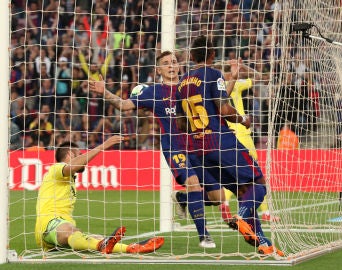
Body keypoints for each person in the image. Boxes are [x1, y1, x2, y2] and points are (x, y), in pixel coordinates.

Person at [89, 51, 225, 248]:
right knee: (193, 183)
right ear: (158, 69)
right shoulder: (153, 92)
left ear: (179, 66)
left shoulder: (191, 85)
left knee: (218, 197)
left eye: (174, 62)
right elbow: (123, 105)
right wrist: (105, 92)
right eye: (166, 63)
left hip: (199, 146)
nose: (171, 66)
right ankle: (204, 236)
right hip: (175, 147)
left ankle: (183, 198)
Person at [176, 35, 283, 256]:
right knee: (259, 183)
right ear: (213, 55)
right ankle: (242, 216)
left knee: (244, 192)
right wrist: (243, 119)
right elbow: (224, 110)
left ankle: (262, 242)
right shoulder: (213, 73)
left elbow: (180, 123)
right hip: (221, 142)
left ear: (192, 56)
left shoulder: (182, 83)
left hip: (199, 150)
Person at [35, 136, 164, 254]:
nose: (83, 157)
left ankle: (130, 247)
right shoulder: (56, 168)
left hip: (59, 230)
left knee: (95, 238)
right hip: (48, 224)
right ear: (69, 154)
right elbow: (72, 166)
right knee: (72, 232)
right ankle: (102, 244)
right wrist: (103, 146)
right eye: (79, 154)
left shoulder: (69, 180)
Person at [216, 61, 279, 223]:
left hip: (225, 135)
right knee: (256, 173)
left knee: (233, 175)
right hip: (242, 131)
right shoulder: (235, 84)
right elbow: (261, 77)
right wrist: (243, 67)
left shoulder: (212, 89)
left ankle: (224, 202)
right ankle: (265, 212)